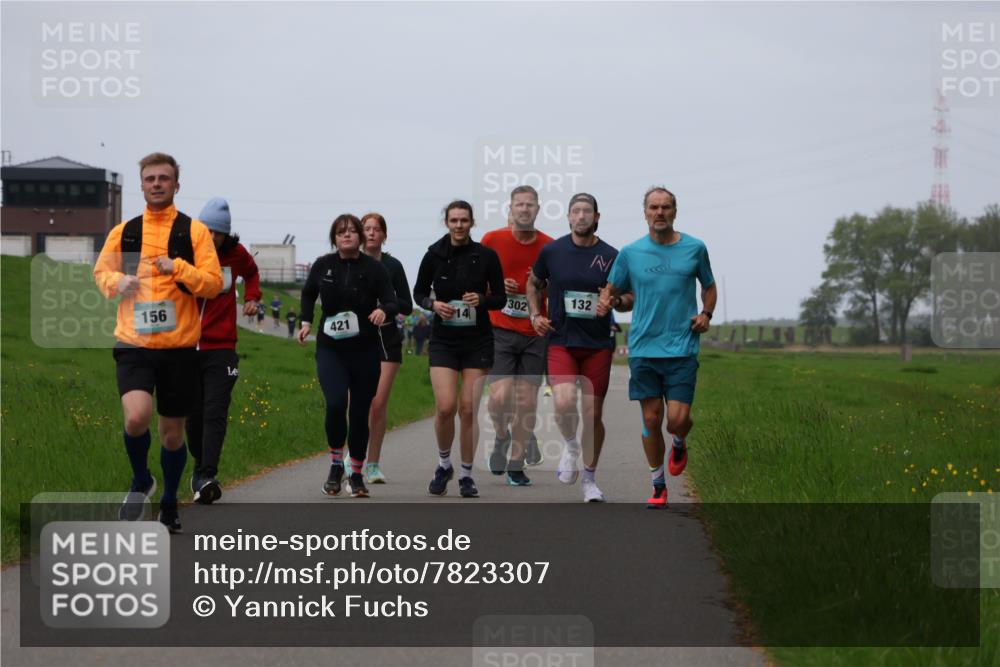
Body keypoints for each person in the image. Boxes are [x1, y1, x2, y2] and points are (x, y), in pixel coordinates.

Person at [93, 152, 223, 533]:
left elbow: (214, 284)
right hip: (133, 343)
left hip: (179, 348)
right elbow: (101, 272)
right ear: (142, 185)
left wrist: (178, 267)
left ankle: (168, 499)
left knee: (171, 434)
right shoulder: (125, 231)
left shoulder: (193, 232)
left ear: (176, 185)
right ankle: (140, 481)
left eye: (163, 178)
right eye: (150, 178)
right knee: (135, 417)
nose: (156, 184)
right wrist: (119, 283)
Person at [600, 187, 716, 509]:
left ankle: (679, 442)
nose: (660, 212)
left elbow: (709, 286)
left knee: (676, 420)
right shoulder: (630, 253)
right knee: (651, 419)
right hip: (643, 348)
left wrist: (706, 314)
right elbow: (617, 294)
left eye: (666, 207)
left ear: (675, 211)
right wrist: (608, 300)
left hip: (681, 347)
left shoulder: (695, 248)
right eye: (654, 207)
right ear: (645, 213)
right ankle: (657, 484)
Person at [528, 193, 632, 503]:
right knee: (563, 402)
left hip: (597, 344)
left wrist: (613, 300)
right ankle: (571, 445)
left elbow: (630, 299)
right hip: (561, 340)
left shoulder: (614, 256)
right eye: (576, 211)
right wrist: (535, 315)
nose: (582, 216)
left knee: (593, 413)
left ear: (597, 217)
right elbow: (533, 283)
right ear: (569, 218)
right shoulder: (553, 251)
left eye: (588, 211)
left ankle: (589, 478)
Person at [298, 214, 398, 499]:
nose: (347, 236)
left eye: (352, 231)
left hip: (365, 350)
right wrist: (305, 322)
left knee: (358, 413)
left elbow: (391, 300)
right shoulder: (323, 265)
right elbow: (307, 294)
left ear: (361, 237)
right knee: (335, 402)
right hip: (331, 349)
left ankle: (356, 473)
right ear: (334, 237)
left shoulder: (374, 268)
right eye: (341, 232)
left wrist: (384, 310)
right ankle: (334, 466)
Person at [413, 200, 505, 498]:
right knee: (445, 407)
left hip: (477, 341)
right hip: (444, 341)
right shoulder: (433, 255)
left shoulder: (486, 256)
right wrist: (432, 304)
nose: (458, 225)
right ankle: (443, 464)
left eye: (464, 220)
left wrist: (482, 299)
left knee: (467, 409)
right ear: (446, 222)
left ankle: (466, 474)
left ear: (471, 223)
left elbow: (500, 298)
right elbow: (418, 293)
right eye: (454, 220)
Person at [186, 197, 261, 504]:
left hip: (222, 347)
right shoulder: (186, 251)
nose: (211, 238)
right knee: (193, 416)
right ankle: (199, 466)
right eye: (206, 231)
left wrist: (253, 297)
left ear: (226, 234)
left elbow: (252, 273)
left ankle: (207, 475)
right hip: (186, 346)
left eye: (216, 233)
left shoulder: (236, 254)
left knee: (215, 412)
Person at [480, 185, 553, 485]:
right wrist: (498, 289)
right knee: (499, 397)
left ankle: (516, 464)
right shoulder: (492, 241)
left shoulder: (550, 247)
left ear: (538, 209)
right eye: (519, 205)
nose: (524, 209)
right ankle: (501, 436)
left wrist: (535, 288)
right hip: (499, 329)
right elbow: (475, 285)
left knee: (526, 402)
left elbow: (557, 290)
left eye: (530, 205)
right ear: (510, 209)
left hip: (535, 332)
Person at [360, 212, 413, 484]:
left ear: (384, 235)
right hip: (355, 339)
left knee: (378, 403)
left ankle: (373, 464)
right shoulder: (349, 263)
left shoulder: (393, 265)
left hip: (386, 337)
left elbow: (407, 303)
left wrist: (385, 305)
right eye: (366, 228)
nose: (371, 233)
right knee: (359, 403)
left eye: (376, 229)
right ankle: (354, 455)